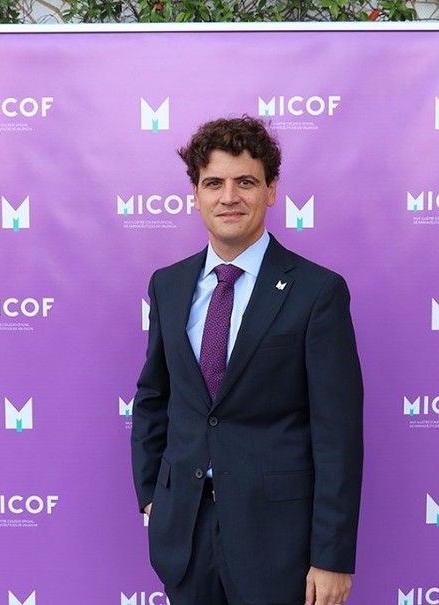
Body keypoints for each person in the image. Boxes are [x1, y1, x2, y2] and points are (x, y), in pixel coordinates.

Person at [131, 116, 363, 605]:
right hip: (184, 534)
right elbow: (154, 397)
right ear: (196, 195)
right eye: (214, 183)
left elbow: (337, 434)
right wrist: (153, 498)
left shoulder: (317, 291)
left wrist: (332, 555)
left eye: (246, 182)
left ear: (271, 190)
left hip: (278, 544)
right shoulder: (167, 285)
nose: (229, 197)